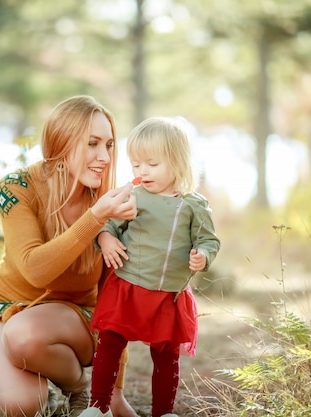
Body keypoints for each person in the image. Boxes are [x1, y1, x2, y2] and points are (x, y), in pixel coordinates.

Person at [0, 95, 142, 417]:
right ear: (62, 142)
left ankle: (78, 386)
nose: (103, 156)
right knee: (20, 405)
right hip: (3, 305)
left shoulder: (112, 205)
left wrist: (114, 393)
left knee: (23, 334)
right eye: (92, 144)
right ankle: (49, 383)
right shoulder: (18, 187)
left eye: (108, 145)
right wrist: (94, 220)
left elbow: (112, 299)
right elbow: (35, 269)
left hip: (74, 319)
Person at [77, 117, 221, 417]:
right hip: (127, 286)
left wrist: (203, 256)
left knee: (166, 357)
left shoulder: (193, 205)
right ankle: (99, 406)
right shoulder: (132, 196)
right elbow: (109, 227)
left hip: (168, 293)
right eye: (136, 165)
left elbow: (209, 241)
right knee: (109, 344)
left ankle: (163, 412)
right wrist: (105, 240)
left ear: (177, 162)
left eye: (151, 164)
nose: (142, 172)